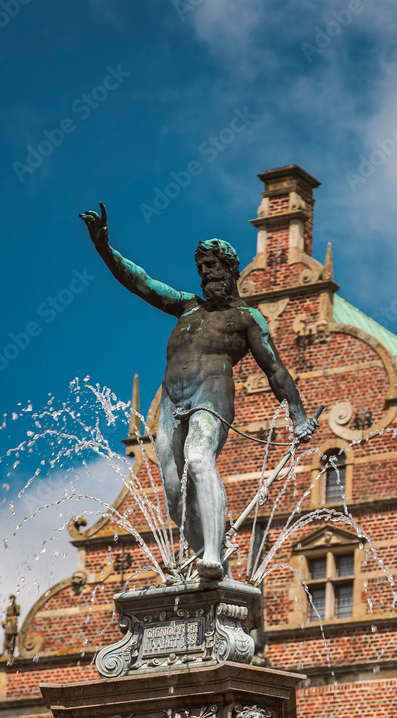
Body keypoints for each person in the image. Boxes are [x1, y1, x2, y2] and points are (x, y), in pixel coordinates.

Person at [79, 203, 319, 579]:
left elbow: (275, 369)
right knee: (174, 493)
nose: (206, 276)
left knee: (199, 458)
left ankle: (210, 552)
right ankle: (214, 559)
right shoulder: (187, 307)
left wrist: (298, 415)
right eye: (202, 270)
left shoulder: (246, 318)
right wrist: (104, 248)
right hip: (172, 400)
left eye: (213, 268)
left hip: (211, 395)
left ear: (230, 270)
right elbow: (140, 281)